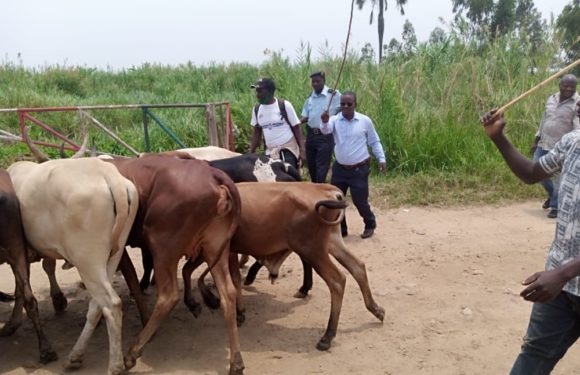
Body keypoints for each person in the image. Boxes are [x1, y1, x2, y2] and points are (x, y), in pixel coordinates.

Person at [481, 105, 580, 375]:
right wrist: (498, 137)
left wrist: (563, 273)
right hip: (560, 285)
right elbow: (531, 172)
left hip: (560, 276)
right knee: (533, 357)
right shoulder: (573, 141)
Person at [320, 91, 387, 239]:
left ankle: (370, 224)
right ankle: (341, 229)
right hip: (340, 169)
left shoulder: (364, 121)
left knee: (360, 200)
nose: (345, 106)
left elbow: (374, 141)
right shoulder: (334, 120)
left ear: (355, 104)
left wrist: (381, 159)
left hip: (359, 169)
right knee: (336, 200)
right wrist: (324, 121)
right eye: (342, 104)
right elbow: (325, 131)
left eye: (349, 104)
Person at [530, 74, 579, 219]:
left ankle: (556, 207)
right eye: (566, 85)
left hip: (560, 148)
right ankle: (553, 196)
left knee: (558, 178)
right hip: (543, 142)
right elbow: (544, 120)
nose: (569, 88)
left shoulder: (578, 103)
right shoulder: (551, 98)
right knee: (536, 171)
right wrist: (536, 139)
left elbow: (578, 128)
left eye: (572, 86)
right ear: (560, 85)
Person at [249, 77, 305, 169]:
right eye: (256, 91)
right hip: (270, 152)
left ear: (270, 91)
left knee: (290, 179)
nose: (257, 95)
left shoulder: (284, 105)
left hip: (288, 150)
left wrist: (302, 150)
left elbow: (297, 128)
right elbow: (257, 132)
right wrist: (251, 153)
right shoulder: (257, 109)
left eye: (260, 91)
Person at [300, 71, 341, 183]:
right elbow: (305, 116)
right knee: (311, 164)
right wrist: (296, 123)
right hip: (311, 135)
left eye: (318, 81)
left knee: (322, 165)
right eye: (313, 81)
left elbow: (345, 106)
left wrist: (335, 118)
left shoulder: (333, 95)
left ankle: (320, 187)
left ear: (324, 81)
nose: (315, 84)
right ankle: (315, 186)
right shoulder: (310, 98)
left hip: (325, 135)